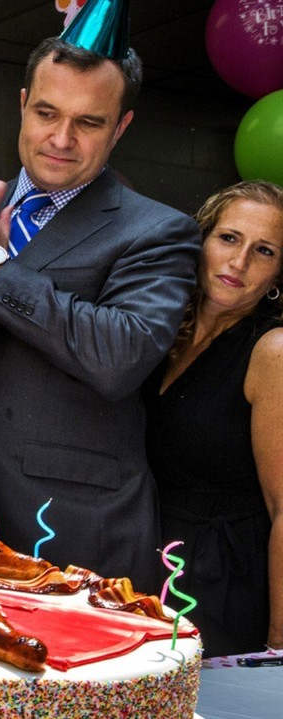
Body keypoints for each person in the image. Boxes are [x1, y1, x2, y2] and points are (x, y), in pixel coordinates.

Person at [0, 20, 200, 590]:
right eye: (47, 113)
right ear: (22, 103)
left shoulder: (159, 230)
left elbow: (119, 354)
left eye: (88, 122)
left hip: (74, 523)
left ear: (122, 127)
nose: (61, 139)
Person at [144, 181, 283, 655]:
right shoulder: (162, 325)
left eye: (263, 251)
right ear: (201, 239)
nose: (239, 262)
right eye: (229, 238)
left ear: (278, 273)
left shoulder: (273, 352)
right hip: (148, 562)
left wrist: (277, 650)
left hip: (225, 584)